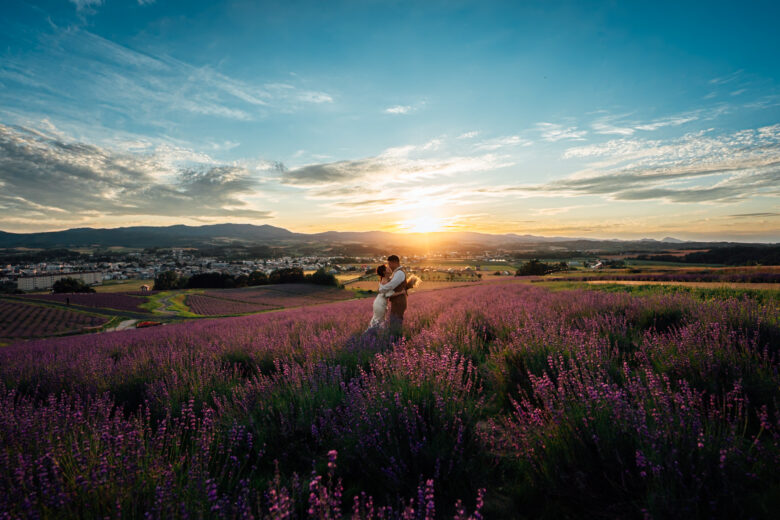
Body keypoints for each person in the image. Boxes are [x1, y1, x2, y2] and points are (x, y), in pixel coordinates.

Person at [365, 264, 396, 331]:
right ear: (384, 272)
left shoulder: (387, 279)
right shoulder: (385, 281)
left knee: (377, 321)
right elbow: (389, 295)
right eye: (387, 268)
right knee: (378, 321)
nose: (389, 268)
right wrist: (402, 292)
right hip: (380, 303)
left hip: (380, 302)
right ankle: (371, 337)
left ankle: (370, 336)